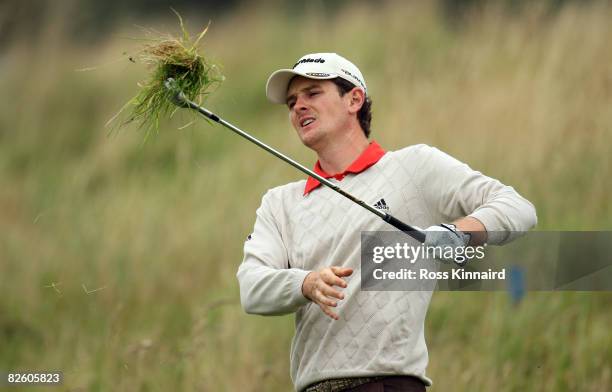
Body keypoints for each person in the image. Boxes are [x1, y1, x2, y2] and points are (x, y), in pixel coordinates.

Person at [236, 53, 537, 392]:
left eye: (312, 93)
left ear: (354, 99)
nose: (298, 107)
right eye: (292, 101)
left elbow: (518, 207)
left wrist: (460, 233)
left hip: (388, 384)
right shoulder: (280, 203)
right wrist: (305, 283)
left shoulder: (414, 167)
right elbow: (252, 287)